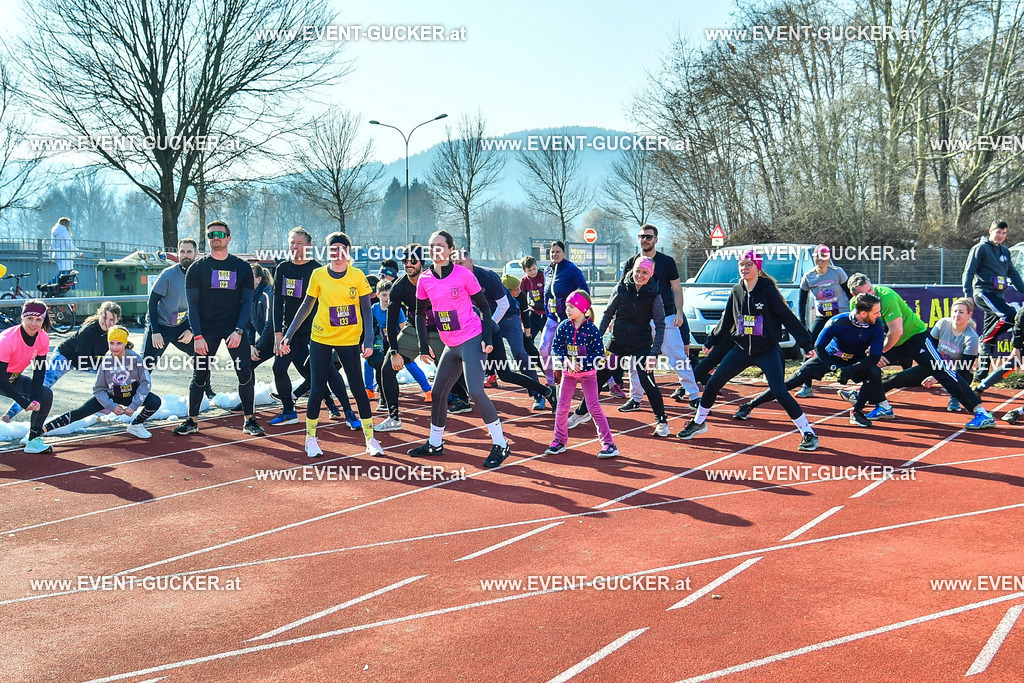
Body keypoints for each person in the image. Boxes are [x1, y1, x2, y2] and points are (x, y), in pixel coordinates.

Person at [677, 251, 819, 451]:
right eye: (742, 265)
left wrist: (806, 344)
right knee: (713, 383)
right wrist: (712, 340)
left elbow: (788, 318)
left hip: (767, 350)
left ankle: (808, 433)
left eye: (749, 264)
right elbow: (727, 320)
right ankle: (699, 422)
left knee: (779, 391)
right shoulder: (736, 290)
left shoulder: (768, 291)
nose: (745, 268)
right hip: (742, 349)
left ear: (758, 267)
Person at [409, 231, 511, 468]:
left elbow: (485, 308)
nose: (435, 250)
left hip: (472, 338)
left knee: (476, 391)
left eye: (440, 246)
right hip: (450, 343)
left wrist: (487, 338)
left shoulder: (463, 274)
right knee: (437, 394)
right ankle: (435, 443)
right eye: (431, 245)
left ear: (450, 250)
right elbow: (419, 313)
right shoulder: (424, 279)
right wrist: (423, 346)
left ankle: (501, 444)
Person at [842, 273, 994, 429]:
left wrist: (878, 352)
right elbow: (863, 332)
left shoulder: (886, 296)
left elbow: (896, 331)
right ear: (855, 295)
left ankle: (981, 413)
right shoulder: (855, 305)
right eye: (865, 293)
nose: (871, 295)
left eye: (871, 289)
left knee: (943, 371)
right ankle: (883, 406)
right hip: (893, 341)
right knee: (870, 366)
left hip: (915, 337)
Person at [279, 231, 382, 457]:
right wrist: (289, 333)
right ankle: (311, 439)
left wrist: (368, 338)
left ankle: (370, 438)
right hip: (321, 338)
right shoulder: (318, 275)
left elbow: (366, 309)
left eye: (342, 249)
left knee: (357, 388)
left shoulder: (357, 276)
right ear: (328, 251)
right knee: (316, 388)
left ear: (348, 251)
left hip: (348, 340)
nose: (337, 253)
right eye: (333, 249)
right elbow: (306, 306)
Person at [733, 293, 885, 427]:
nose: (879, 315)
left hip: (855, 359)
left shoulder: (877, 325)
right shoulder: (837, 322)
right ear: (864, 313)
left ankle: (857, 411)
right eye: (876, 312)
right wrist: (833, 367)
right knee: (790, 382)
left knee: (874, 372)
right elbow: (819, 347)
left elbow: (874, 357)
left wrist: (850, 369)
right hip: (830, 356)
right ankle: (749, 406)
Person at [173, 220, 264, 437]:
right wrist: (198, 335)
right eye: (211, 234)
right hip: (207, 330)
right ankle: (192, 421)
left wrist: (239, 330)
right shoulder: (197, 268)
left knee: (244, 373)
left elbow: (247, 303)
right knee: (200, 374)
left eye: (220, 234)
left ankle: (249, 420)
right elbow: (192, 306)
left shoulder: (241, 267)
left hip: (234, 328)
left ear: (228, 238)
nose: (216, 237)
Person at [569, 258, 670, 435]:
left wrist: (654, 353)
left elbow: (661, 325)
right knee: (599, 377)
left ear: (651, 274)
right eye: (638, 271)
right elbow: (608, 313)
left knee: (647, 380)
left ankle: (661, 421)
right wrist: (596, 338)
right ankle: (581, 412)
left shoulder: (654, 295)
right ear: (633, 270)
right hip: (618, 341)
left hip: (641, 344)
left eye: (645, 272)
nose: (640, 275)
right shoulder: (622, 287)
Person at [378, 244, 471, 433]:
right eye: (405, 261)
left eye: (413, 261)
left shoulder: (436, 278)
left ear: (422, 262)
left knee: (458, 366)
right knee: (387, 368)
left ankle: (464, 398)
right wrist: (394, 351)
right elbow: (391, 320)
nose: (408, 265)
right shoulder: (399, 286)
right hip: (413, 331)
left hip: (441, 329)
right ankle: (393, 417)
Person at [269, 228, 355, 427]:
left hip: (316, 330)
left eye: (299, 243)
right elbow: (277, 303)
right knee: (279, 368)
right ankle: (289, 411)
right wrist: (278, 333)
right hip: (290, 331)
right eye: (292, 243)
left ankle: (348, 411)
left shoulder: (317, 270)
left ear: (308, 246)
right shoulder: (282, 268)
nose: (294, 247)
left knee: (327, 371)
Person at [451, 250, 557, 412]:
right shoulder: (456, 279)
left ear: (470, 261)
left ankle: (538, 395)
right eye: (454, 264)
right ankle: (465, 397)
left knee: (520, 354)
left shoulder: (487, 276)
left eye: (460, 263)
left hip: (507, 317)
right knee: (474, 359)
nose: (457, 267)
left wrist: (487, 327)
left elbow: (504, 305)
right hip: (485, 323)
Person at [618, 224, 700, 411]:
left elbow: (677, 289)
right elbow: (623, 292)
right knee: (635, 362)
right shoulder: (631, 263)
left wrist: (679, 312)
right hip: (639, 322)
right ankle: (636, 398)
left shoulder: (667, 262)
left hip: (666, 318)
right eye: (641, 236)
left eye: (648, 236)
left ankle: (693, 395)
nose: (645, 240)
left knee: (678, 358)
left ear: (656, 239)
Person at [3, 301, 121, 422]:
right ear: (99, 315)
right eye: (104, 318)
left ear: (117, 320)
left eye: (112, 320)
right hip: (66, 357)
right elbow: (84, 360)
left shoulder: (115, 332)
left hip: (87, 360)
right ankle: (9, 414)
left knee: (117, 372)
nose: (107, 322)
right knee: (42, 386)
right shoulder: (88, 331)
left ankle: (105, 405)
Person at [43, 326, 162, 439]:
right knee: (80, 412)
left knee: (155, 402)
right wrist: (111, 406)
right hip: (111, 396)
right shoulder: (106, 361)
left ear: (125, 343)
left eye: (119, 343)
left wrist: (134, 405)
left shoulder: (135, 358)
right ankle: (41, 430)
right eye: (112, 343)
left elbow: (145, 383)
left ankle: (136, 425)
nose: (115, 347)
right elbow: (98, 389)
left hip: (131, 395)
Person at [872, 298, 982, 415]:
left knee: (959, 378)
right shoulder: (943, 324)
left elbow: (965, 366)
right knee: (896, 379)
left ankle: (956, 398)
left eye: (961, 312)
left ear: (969, 315)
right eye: (955, 311)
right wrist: (933, 371)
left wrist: (938, 376)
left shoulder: (972, 337)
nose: (957, 315)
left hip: (958, 371)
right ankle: (867, 394)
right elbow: (930, 347)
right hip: (935, 365)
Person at [548, 290, 618, 457]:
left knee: (594, 407)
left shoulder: (592, 330)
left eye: (572, 306)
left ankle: (609, 444)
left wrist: (582, 364)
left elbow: (599, 355)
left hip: (588, 374)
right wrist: (566, 362)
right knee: (562, 406)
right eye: (567, 306)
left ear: (583, 309)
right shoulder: (563, 326)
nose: (568, 309)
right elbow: (555, 348)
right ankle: (559, 440)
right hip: (568, 373)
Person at [962, 219, 1024, 384]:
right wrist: (968, 294)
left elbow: (1013, 272)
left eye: (1004, 233)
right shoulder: (980, 248)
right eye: (998, 232)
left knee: (990, 335)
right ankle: (985, 340)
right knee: (1010, 316)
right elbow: (968, 272)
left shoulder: (1005, 251)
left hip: (998, 295)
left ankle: (981, 375)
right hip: (983, 292)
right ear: (990, 231)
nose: (1000, 236)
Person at [795, 245, 851, 397]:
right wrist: (802, 323)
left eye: (823, 255)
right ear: (813, 257)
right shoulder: (808, 276)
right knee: (810, 347)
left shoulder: (837, 272)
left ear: (828, 257)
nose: (820, 259)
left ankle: (863, 381)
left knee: (851, 345)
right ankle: (807, 386)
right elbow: (802, 301)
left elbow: (850, 293)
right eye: (817, 256)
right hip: (822, 317)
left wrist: (853, 315)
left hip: (841, 316)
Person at [0, 300, 54, 453]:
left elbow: (39, 371)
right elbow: (0, 378)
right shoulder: (6, 341)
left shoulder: (42, 338)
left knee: (45, 394)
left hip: (12, 377)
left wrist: (35, 398)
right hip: (1, 377)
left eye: (38, 319)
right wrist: (23, 402)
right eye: (30, 318)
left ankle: (33, 438)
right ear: (22, 317)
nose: (33, 324)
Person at [538, 242, 589, 391]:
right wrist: (548, 312)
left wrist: (579, 311)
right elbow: (547, 295)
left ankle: (608, 380)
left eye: (557, 252)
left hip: (570, 319)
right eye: (552, 252)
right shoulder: (547, 271)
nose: (554, 255)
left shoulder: (571, 269)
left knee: (584, 349)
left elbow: (584, 291)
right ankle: (551, 381)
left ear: (564, 253)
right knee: (543, 349)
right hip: (553, 319)